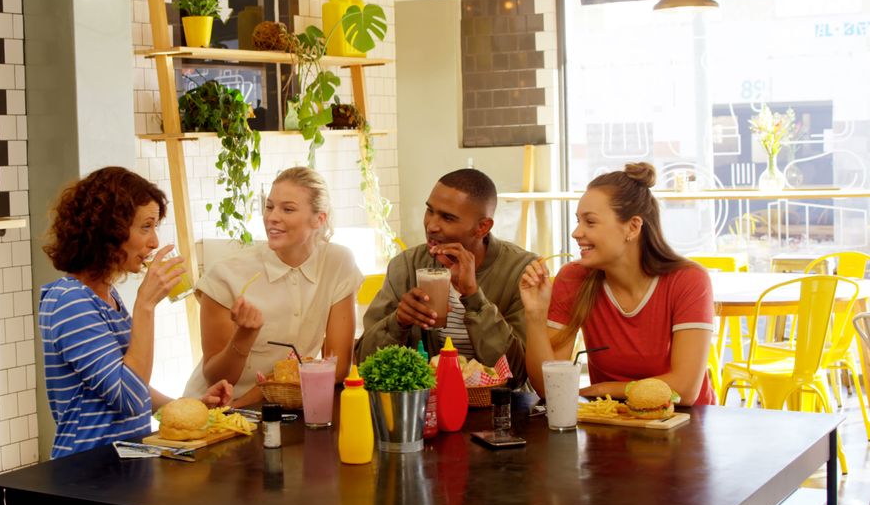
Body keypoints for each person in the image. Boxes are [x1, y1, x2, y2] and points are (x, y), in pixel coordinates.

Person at [39, 167, 232, 458]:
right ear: (110, 230)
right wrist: (145, 305)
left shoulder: (106, 295)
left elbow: (130, 382)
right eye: (146, 226)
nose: (154, 241)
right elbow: (128, 397)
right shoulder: (70, 302)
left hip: (122, 460)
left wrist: (185, 408)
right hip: (86, 469)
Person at [520, 162, 715, 405]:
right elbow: (549, 388)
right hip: (611, 423)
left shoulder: (688, 281)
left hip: (684, 423)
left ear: (632, 227)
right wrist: (535, 316)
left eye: (590, 222)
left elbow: (685, 390)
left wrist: (607, 388)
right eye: (577, 221)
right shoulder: (574, 277)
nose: (576, 233)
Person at [183, 167, 363, 406]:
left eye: (287, 209)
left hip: (281, 407)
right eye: (269, 207)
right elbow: (217, 378)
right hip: (216, 412)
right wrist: (243, 338)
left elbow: (338, 367)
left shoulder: (338, 262)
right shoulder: (226, 275)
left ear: (320, 218)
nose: (272, 217)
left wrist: (259, 395)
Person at [354, 168, 536, 387]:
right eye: (430, 211)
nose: (431, 225)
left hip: (499, 410)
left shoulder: (519, 271)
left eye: (447, 218)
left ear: (482, 227)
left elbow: (516, 374)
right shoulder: (406, 266)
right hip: (427, 407)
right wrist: (398, 322)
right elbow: (364, 362)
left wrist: (473, 297)